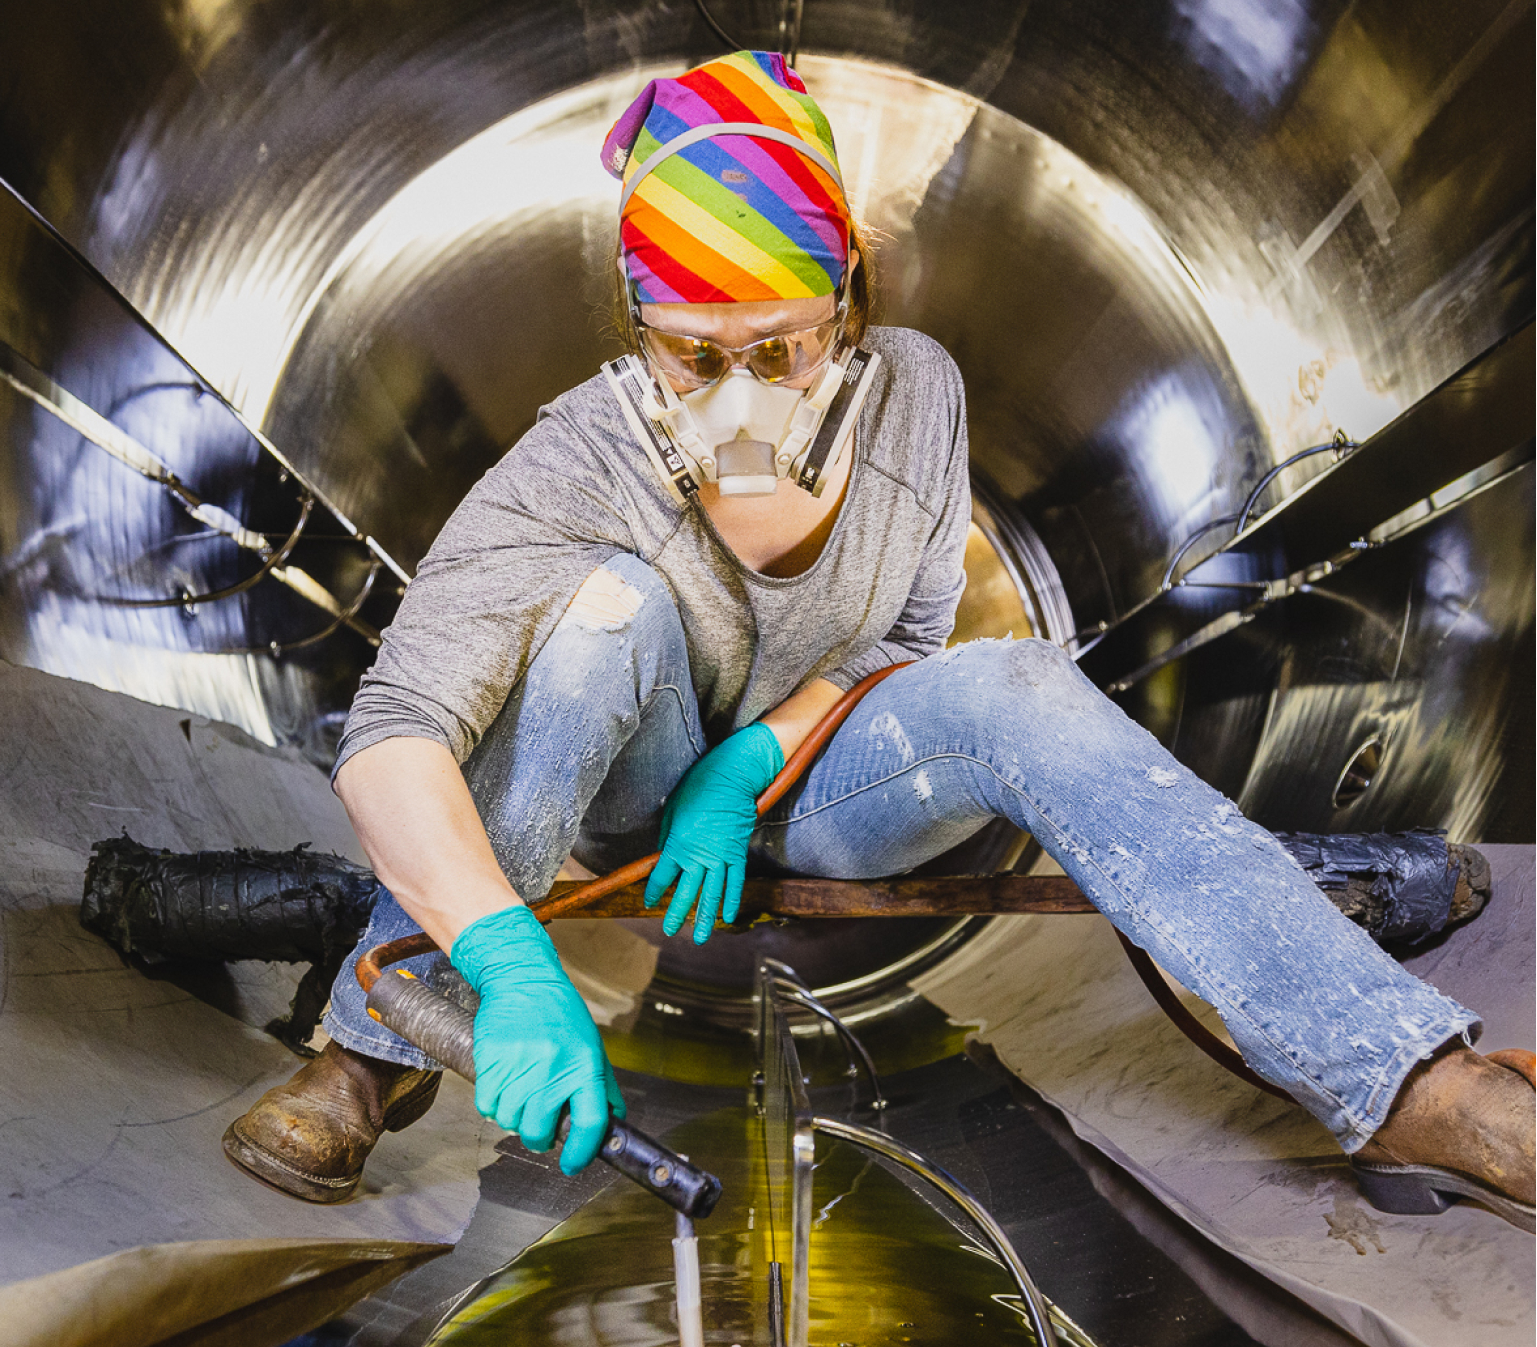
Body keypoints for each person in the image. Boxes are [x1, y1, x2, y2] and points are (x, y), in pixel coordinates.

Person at [223, 50, 1534, 1230]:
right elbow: (396, 736)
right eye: (690, 356)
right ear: (637, 336)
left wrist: (748, 772)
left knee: (1014, 679)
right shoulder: (576, 459)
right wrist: (507, 960)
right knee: (599, 617)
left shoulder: (918, 395)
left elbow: (908, 635)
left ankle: (1415, 1088)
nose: (739, 399)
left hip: (821, 791)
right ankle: (364, 1057)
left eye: (781, 348)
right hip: (621, 792)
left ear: (850, 301)